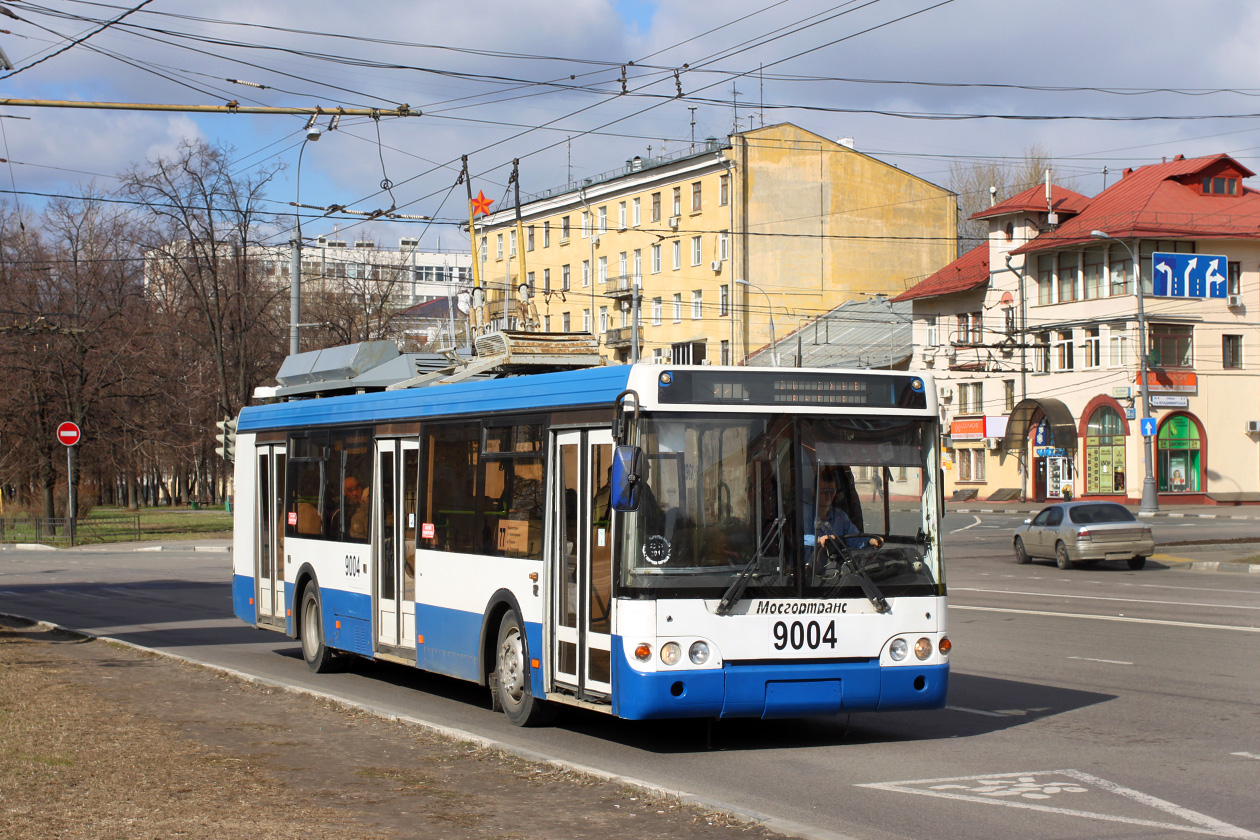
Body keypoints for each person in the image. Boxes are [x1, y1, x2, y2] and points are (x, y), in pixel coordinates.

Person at [804, 469, 882, 551]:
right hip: (804, 562)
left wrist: (870, 541)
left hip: (832, 563)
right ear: (814, 491)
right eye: (824, 491)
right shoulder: (804, 513)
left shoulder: (840, 517)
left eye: (832, 491)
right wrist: (818, 540)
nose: (829, 495)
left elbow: (855, 539)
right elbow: (797, 538)